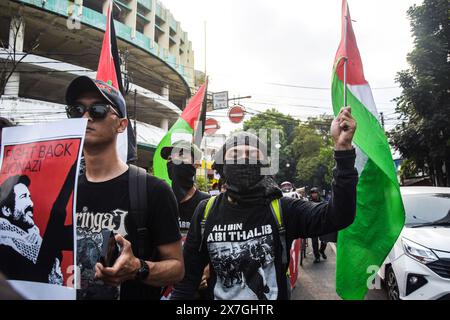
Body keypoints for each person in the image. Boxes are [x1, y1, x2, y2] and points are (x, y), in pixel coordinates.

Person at [171, 107, 358, 300]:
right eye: (234, 156)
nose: (243, 160)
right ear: (222, 166)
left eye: (252, 156)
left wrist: (343, 151)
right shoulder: (205, 212)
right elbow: (187, 280)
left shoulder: (283, 209)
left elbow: (339, 215)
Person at [65, 76, 183, 300]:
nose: (85, 116)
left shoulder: (153, 190)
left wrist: (138, 268)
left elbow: (177, 268)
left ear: (121, 125)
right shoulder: (60, 188)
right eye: (76, 109)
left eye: (98, 109)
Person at [0, 165, 76, 284]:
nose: (31, 203)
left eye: (29, 197)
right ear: (6, 210)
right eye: (23, 197)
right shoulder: (4, 245)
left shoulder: (36, 241)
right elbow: (39, 271)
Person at [160, 140, 212, 299]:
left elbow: (219, 245)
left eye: (182, 154)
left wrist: (208, 270)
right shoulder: (160, 203)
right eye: (171, 157)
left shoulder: (208, 205)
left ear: (196, 164)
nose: (174, 160)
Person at [309, 187, 328, 263]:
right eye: (312, 193)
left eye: (315, 193)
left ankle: (322, 251)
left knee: (325, 240)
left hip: (321, 223)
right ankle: (317, 256)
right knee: (314, 241)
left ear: (317, 193)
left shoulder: (322, 201)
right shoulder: (308, 202)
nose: (314, 194)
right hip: (313, 223)